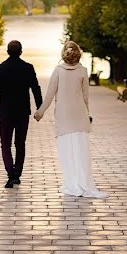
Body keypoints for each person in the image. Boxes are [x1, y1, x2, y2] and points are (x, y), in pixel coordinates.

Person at [33, 40, 106, 198]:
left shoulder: (58, 70)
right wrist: (87, 116)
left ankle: (71, 183)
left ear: (64, 53)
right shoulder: (83, 71)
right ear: (77, 53)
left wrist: (40, 112)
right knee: (81, 152)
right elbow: (86, 98)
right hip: (79, 116)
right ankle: (83, 183)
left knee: (67, 152)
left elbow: (50, 95)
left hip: (63, 117)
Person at [0, 40, 43, 188]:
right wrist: (40, 107)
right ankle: (17, 173)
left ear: (7, 52)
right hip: (22, 112)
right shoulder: (28, 68)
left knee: (5, 144)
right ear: (21, 52)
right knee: (20, 144)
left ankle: (10, 174)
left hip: (5, 112)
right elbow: (35, 88)